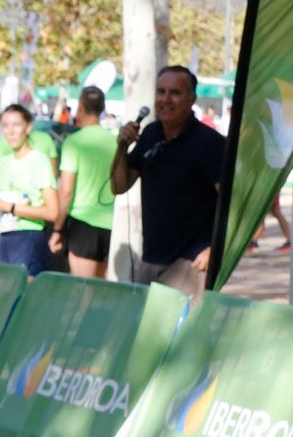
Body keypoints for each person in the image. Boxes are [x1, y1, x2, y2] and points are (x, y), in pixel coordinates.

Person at [111, 66, 226, 300]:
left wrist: (214, 248)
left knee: (182, 335)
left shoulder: (210, 143)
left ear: (192, 98)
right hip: (151, 258)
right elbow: (119, 186)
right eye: (161, 92)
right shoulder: (151, 134)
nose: (166, 99)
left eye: (175, 93)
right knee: (150, 334)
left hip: (190, 263)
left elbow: (231, 203)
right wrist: (121, 147)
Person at [0, 104, 59, 276]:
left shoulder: (40, 161)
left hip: (30, 238)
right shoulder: (3, 164)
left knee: (23, 297)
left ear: (28, 127)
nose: (10, 131)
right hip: (5, 236)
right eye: (5, 125)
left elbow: (53, 212)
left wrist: (11, 207)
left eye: (16, 125)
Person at [50, 86, 118, 278]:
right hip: (111, 225)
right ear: (102, 108)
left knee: (83, 292)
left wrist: (57, 228)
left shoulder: (74, 142)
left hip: (83, 224)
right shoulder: (115, 141)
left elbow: (66, 191)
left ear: (80, 106)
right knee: (102, 292)